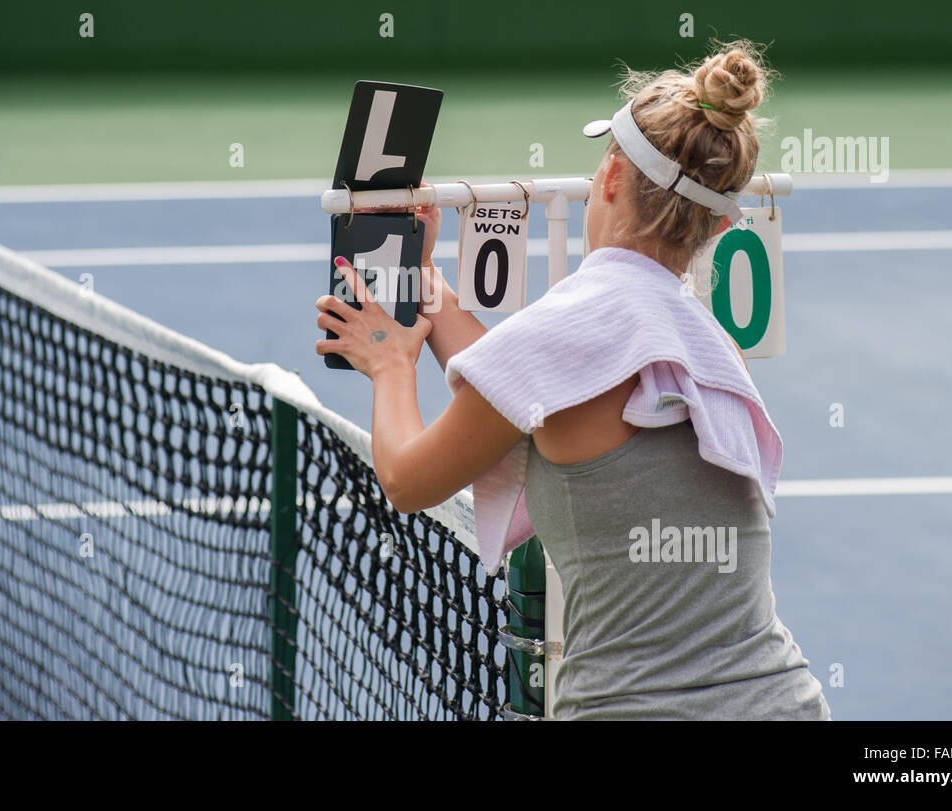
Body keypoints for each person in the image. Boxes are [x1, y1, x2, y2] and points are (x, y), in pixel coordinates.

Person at [315, 41, 830, 720]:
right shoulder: (708, 345)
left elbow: (408, 480)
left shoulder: (567, 336)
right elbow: (525, 383)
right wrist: (425, 286)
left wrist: (389, 365)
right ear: (716, 224)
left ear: (611, 177)